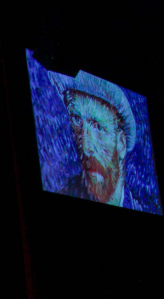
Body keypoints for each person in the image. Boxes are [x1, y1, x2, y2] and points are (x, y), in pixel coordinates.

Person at [54, 71, 137, 208]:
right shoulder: (63, 192)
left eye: (97, 127)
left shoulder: (138, 207)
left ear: (121, 143)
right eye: (77, 120)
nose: (86, 148)